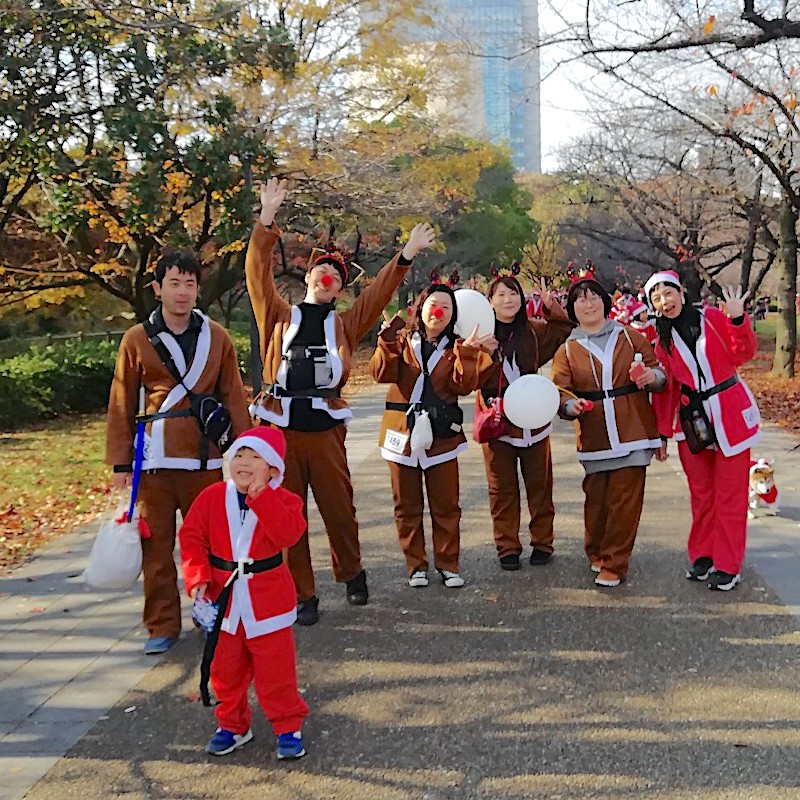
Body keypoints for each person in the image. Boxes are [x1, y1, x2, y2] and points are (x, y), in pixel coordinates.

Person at [246, 178, 436, 625]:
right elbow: (257, 276)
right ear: (308, 277)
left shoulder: (345, 324)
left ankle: (351, 573)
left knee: (339, 507)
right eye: (321, 271)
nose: (328, 278)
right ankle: (301, 593)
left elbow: (378, 295)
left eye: (337, 277)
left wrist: (405, 254)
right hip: (281, 429)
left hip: (326, 428)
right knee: (286, 510)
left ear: (340, 289)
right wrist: (266, 221)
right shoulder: (279, 314)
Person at [105, 248, 251, 654]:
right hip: (152, 461)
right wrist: (120, 462)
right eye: (174, 283)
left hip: (202, 457)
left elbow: (234, 395)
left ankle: (211, 613)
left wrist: (246, 451)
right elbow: (121, 400)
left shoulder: (216, 336)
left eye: (190, 283)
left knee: (209, 544)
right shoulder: (136, 338)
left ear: (198, 289)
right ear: (158, 288)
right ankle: (161, 624)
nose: (183, 292)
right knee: (157, 548)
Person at [179, 427, 310, 759]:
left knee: (276, 671)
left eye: (255, 457)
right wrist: (198, 580)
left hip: (268, 600)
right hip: (224, 599)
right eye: (239, 454)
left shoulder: (285, 500)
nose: (245, 463)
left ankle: (287, 726)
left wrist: (262, 497)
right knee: (226, 670)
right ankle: (232, 724)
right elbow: (192, 538)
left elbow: (287, 535)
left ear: (273, 468)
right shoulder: (211, 497)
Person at [370, 283, 493, 588]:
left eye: (446, 307)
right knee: (406, 505)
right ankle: (416, 566)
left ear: (452, 315)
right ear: (421, 307)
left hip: (442, 434)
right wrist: (385, 342)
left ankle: (448, 564)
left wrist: (466, 353)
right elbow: (380, 374)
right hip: (401, 431)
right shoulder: (400, 340)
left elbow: (464, 386)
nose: (438, 311)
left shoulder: (458, 346)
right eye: (432, 304)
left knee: (446, 503)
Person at [646, 271, 760, 591]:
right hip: (691, 421)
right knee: (701, 493)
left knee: (731, 495)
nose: (664, 301)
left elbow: (743, 353)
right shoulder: (661, 338)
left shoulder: (710, 318)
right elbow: (665, 390)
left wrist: (737, 320)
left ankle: (727, 564)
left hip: (729, 413)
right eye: (656, 297)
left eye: (668, 293)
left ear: (681, 292)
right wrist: (662, 433)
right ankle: (703, 555)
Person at [551, 271, 665, 588]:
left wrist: (650, 379)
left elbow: (659, 372)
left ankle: (616, 562)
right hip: (595, 434)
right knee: (597, 501)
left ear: (605, 302)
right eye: (580, 300)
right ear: (572, 309)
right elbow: (559, 391)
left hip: (634, 429)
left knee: (625, 503)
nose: (588, 304)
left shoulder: (630, 337)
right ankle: (597, 551)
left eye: (593, 297)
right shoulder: (567, 350)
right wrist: (569, 406)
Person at [477, 268, 574, 570]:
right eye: (501, 294)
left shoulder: (532, 330)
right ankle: (507, 546)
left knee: (540, 485)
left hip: (533, 419)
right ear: (490, 301)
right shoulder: (479, 335)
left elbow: (562, 328)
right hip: (497, 421)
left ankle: (543, 542)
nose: (508, 300)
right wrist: (485, 353)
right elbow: (466, 374)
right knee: (501, 488)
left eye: (514, 293)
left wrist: (549, 304)